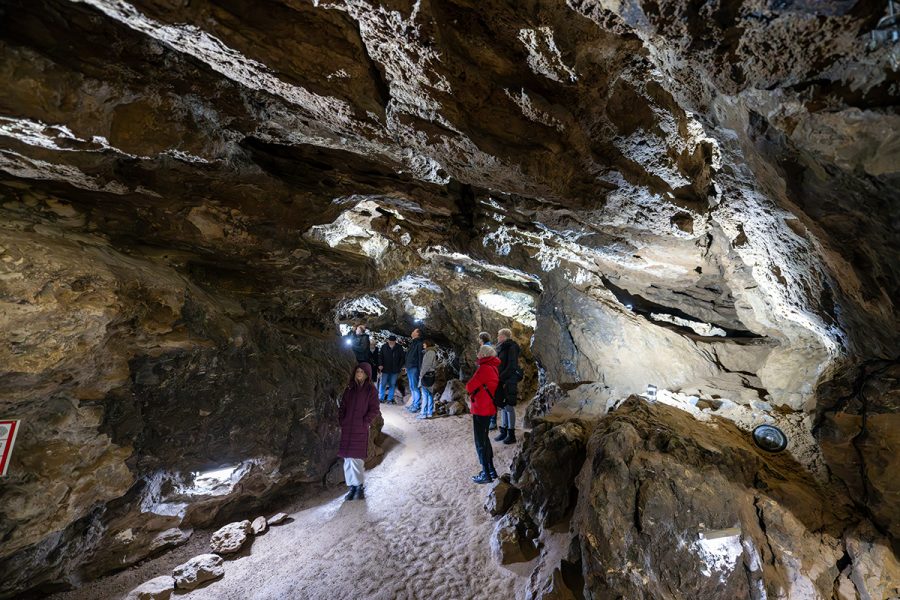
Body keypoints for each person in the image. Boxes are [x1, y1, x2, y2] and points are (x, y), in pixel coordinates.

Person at [338, 363, 380, 501]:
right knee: (347, 460)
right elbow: (343, 405)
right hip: (348, 428)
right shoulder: (350, 389)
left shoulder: (371, 390)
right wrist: (342, 419)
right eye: (357, 371)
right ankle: (351, 487)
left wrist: (365, 422)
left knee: (356, 460)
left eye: (362, 372)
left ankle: (359, 487)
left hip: (360, 428)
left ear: (367, 374)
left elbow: (374, 409)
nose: (359, 374)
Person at [466, 345, 500, 484]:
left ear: (484, 354)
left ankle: (486, 474)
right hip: (488, 407)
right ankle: (491, 470)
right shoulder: (493, 367)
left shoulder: (484, 369)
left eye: (479, 352)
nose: (477, 353)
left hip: (481, 408)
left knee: (481, 442)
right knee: (485, 440)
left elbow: (469, 386)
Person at [494, 328, 521, 445]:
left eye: (499, 335)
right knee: (503, 405)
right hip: (502, 379)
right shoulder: (502, 347)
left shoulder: (511, 347)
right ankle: (504, 430)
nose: (497, 337)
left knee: (509, 406)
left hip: (509, 380)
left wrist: (501, 377)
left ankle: (511, 434)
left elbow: (512, 366)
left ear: (504, 336)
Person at [477, 332, 497, 431]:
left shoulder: (486, 348)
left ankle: (492, 421)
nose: (478, 340)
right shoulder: (490, 347)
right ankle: (490, 420)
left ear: (482, 339)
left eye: (479, 338)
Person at [378, 335, 405, 403]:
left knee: (392, 384)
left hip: (395, 370)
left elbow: (402, 358)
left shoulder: (399, 347)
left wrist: (399, 367)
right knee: (383, 383)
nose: (391, 343)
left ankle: (389, 399)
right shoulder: (384, 347)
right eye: (390, 341)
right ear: (388, 341)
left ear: (395, 341)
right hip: (385, 369)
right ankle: (381, 398)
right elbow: (380, 356)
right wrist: (380, 364)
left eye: (392, 341)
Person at [404, 328, 424, 413]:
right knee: (412, 387)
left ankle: (416, 405)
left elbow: (420, 358)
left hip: (414, 368)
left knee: (415, 387)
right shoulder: (413, 343)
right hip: (410, 367)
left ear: (417, 334)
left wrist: (420, 370)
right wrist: (406, 366)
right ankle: (414, 403)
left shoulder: (419, 344)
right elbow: (409, 356)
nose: (411, 332)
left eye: (414, 331)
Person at [417, 339, 438, 419]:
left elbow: (426, 365)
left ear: (427, 344)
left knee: (425, 395)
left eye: (424, 344)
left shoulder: (430, 352)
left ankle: (424, 413)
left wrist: (421, 375)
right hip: (431, 375)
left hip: (426, 375)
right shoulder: (432, 352)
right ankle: (429, 412)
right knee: (429, 394)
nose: (423, 345)